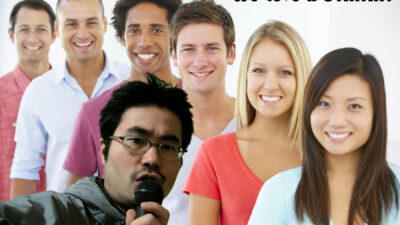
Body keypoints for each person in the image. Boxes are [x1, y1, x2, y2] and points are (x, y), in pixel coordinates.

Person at [0, 74, 193, 225]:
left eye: (167, 146)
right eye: (136, 140)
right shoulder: (54, 212)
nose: (152, 158)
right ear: (103, 149)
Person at [248, 47, 400, 225]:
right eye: (324, 103)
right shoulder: (279, 191)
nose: (337, 121)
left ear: (376, 114)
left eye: (354, 106)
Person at [184, 20, 312, 225]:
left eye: (285, 72)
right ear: (245, 76)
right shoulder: (213, 155)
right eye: (259, 70)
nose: (270, 85)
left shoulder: (324, 153)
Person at [10, 0, 129, 197]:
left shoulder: (131, 80)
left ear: (105, 25)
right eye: (72, 24)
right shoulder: (39, 92)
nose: (82, 33)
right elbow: (25, 169)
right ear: (57, 28)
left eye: (91, 23)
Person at [63, 0, 182, 187]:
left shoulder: (200, 102)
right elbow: (73, 205)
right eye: (134, 30)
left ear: (174, 36)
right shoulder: (93, 112)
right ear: (123, 37)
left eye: (157, 30)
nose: (144, 42)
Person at [163, 1, 238, 224]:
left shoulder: (255, 123)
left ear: (231, 53)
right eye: (189, 49)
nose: (200, 61)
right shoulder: (154, 130)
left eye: (212, 48)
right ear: (174, 56)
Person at [0, 0, 56, 202]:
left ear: (54, 33)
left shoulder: (71, 93)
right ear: (11, 35)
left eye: (41, 29)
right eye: (24, 29)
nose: (32, 38)